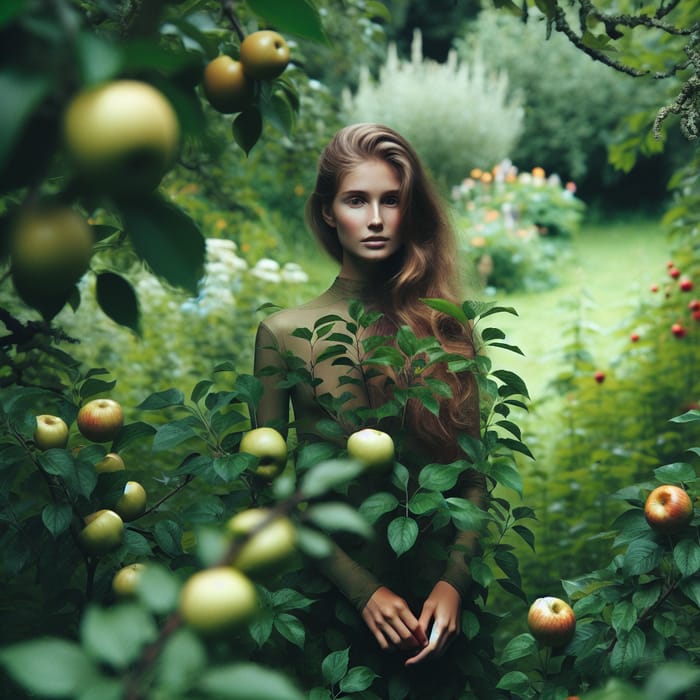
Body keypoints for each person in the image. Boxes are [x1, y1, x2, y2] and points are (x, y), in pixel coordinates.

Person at [253, 123, 487, 696]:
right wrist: (361, 591)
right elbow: (267, 488)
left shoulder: (445, 326)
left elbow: (474, 475)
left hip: (439, 606)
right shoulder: (284, 333)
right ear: (329, 212)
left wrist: (454, 582)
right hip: (335, 596)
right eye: (357, 200)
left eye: (392, 201)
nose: (376, 218)